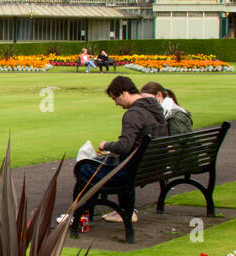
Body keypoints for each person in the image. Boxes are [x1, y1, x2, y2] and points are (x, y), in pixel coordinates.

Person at [63, 75, 167, 226]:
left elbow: (124, 146)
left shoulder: (133, 114)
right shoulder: (155, 107)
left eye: (115, 99)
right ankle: (122, 211)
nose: (116, 104)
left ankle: (78, 216)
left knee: (84, 167)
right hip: (153, 165)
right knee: (96, 166)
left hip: (133, 170)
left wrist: (106, 145)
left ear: (124, 93)